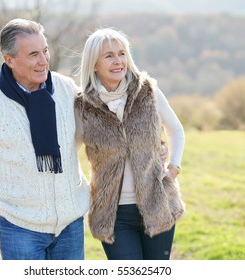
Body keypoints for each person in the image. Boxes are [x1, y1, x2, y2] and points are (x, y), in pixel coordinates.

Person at [0, 18, 90, 260]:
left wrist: (154, 145)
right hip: (19, 229)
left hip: (70, 225)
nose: (44, 60)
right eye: (34, 54)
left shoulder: (67, 89)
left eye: (46, 50)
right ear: (9, 60)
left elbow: (97, 133)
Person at [74, 28, 185, 260]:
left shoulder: (148, 91)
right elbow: (69, 153)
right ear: (94, 64)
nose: (118, 61)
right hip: (113, 215)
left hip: (157, 204)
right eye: (109, 56)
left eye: (122, 53)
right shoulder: (83, 106)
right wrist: (87, 190)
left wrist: (173, 168)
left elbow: (175, 129)